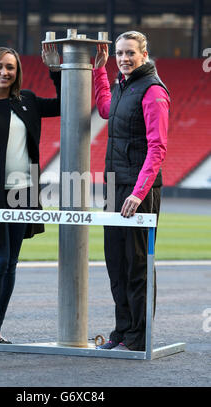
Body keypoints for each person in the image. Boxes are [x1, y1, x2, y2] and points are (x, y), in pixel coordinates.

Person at [0, 45, 61, 343]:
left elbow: (67, 103)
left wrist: (55, 69)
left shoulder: (27, 100)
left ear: (17, 72)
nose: (4, 72)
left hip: (24, 195)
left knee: (11, 263)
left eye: (11, 67)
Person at [93, 31, 170, 351]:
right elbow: (105, 109)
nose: (123, 58)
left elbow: (158, 148)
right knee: (116, 264)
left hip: (138, 191)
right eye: (119, 53)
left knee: (137, 266)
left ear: (144, 54)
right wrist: (98, 68)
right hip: (115, 187)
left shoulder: (153, 91)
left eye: (130, 53)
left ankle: (138, 338)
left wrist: (138, 193)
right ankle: (122, 331)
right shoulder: (122, 86)